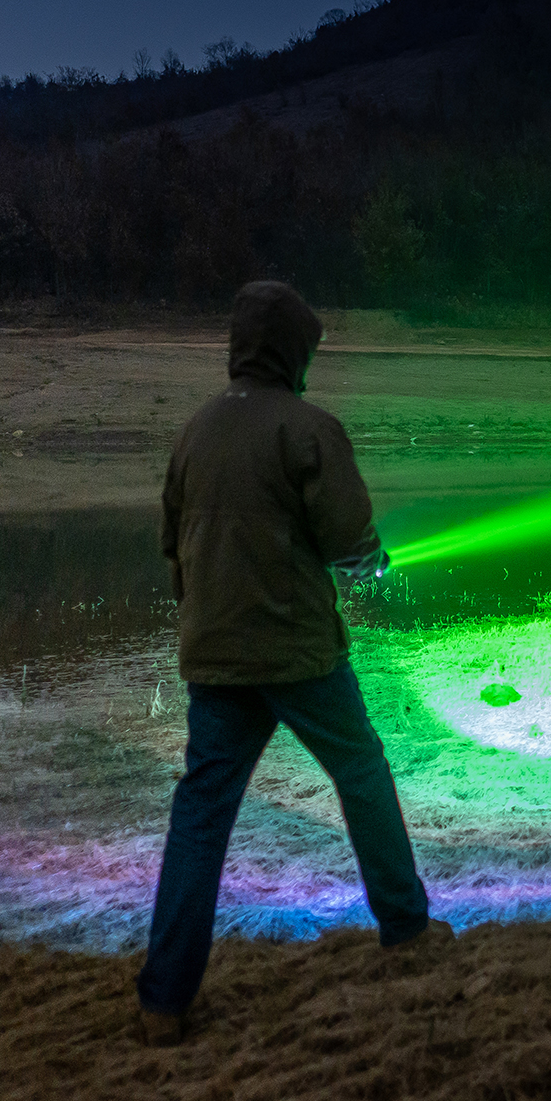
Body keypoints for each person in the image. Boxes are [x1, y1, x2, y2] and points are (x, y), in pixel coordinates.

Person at [137, 280, 449, 1048]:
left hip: (215, 659)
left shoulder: (195, 433)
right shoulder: (308, 429)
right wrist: (374, 565)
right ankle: (407, 927)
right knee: (363, 771)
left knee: (201, 814)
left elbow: (173, 545)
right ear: (293, 352)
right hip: (299, 653)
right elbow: (350, 541)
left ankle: (163, 1001)